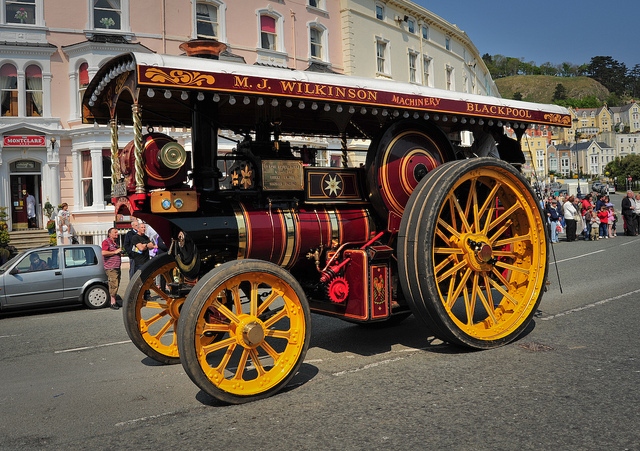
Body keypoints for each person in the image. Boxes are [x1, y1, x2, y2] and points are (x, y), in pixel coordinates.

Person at [131, 223, 157, 299]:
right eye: (142, 227)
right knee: (140, 279)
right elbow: (141, 248)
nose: (144, 229)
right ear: (138, 229)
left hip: (146, 260)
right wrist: (146, 245)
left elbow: (152, 246)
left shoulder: (146, 237)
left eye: (144, 227)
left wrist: (144, 245)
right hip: (139, 262)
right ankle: (138, 295)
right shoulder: (135, 237)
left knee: (147, 278)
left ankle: (147, 294)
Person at [101, 227, 122, 310]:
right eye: (115, 232)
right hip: (111, 267)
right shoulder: (106, 242)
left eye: (117, 232)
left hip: (117, 266)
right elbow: (103, 252)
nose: (117, 234)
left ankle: (114, 301)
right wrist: (115, 252)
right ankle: (112, 303)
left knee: (116, 284)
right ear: (110, 234)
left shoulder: (115, 243)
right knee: (113, 284)